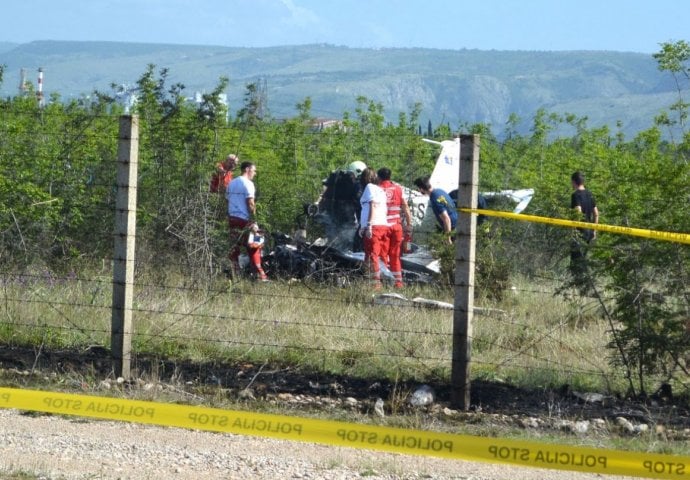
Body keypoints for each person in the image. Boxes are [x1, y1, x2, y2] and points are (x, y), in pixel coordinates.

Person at [226, 161, 268, 281]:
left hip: (232, 219)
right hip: (245, 220)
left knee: (234, 248)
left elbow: (227, 202)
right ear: (248, 169)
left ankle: (236, 274)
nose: (254, 173)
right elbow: (250, 203)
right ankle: (260, 276)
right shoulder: (248, 184)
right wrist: (254, 221)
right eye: (254, 171)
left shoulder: (231, 183)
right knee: (256, 245)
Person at [377, 167, 412, 288]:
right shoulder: (398, 189)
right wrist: (409, 224)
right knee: (395, 255)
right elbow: (406, 207)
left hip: (384, 227)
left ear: (379, 177)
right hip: (397, 227)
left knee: (383, 255)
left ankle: (386, 281)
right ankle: (398, 282)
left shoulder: (378, 189)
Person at [358, 168, 389, 290]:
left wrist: (369, 225)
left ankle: (375, 283)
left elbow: (373, 206)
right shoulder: (380, 189)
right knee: (375, 254)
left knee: (372, 255)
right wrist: (363, 226)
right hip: (381, 224)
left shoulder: (369, 187)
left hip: (374, 226)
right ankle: (371, 278)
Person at [569, 171, 599, 279]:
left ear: (574, 182)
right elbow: (596, 213)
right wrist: (594, 230)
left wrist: (574, 229)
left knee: (576, 260)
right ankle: (583, 281)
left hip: (580, 231)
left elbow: (578, 211)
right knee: (584, 259)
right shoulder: (589, 194)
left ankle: (577, 282)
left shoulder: (575, 195)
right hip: (589, 232)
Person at [413, 176, 458, 244]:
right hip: (458, 223)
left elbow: (446, 219)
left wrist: (448, 238)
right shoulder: (440, 191)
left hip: (452, 229)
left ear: (421, 189)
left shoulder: (434, 199)